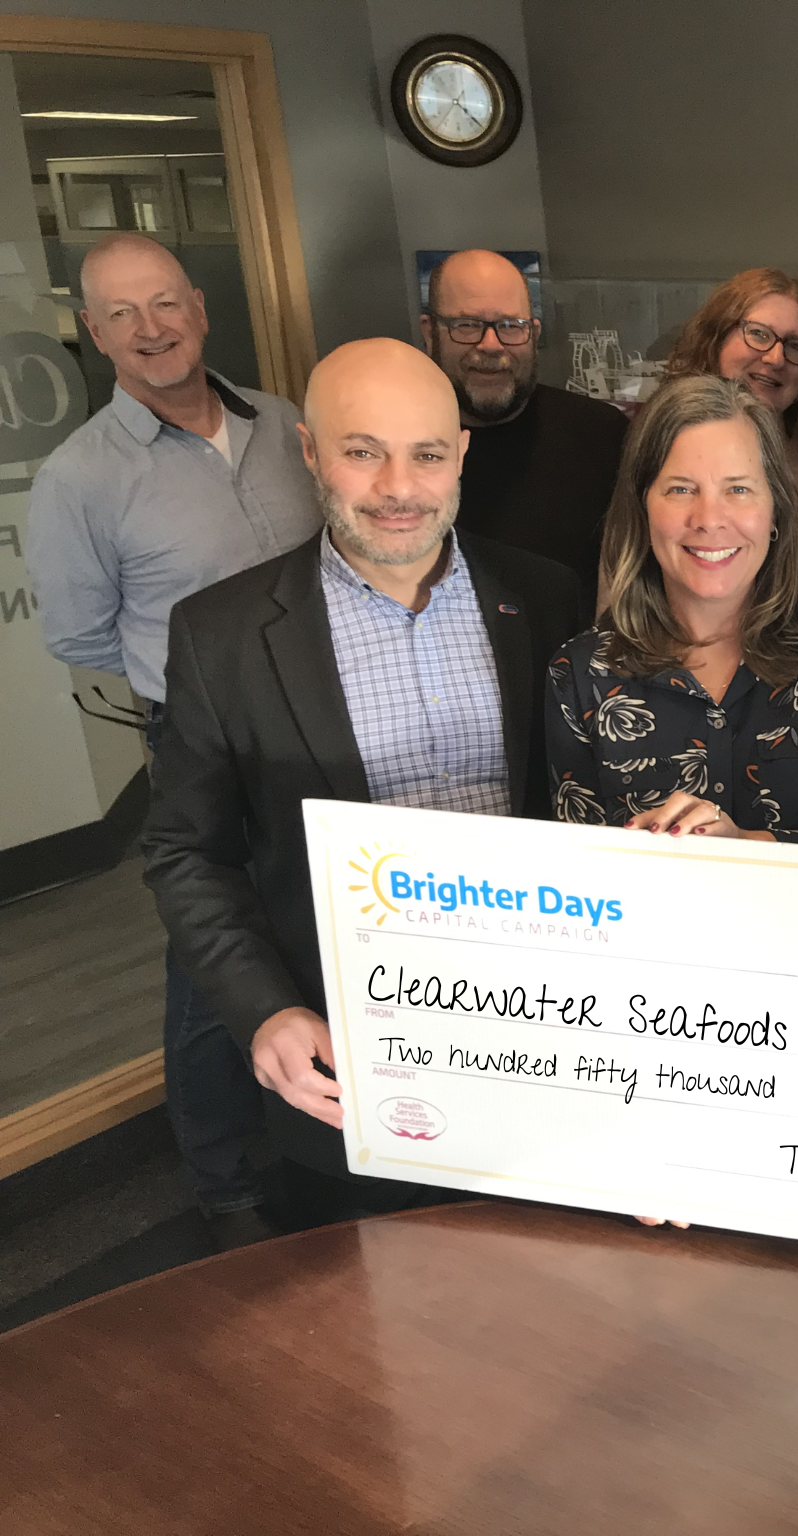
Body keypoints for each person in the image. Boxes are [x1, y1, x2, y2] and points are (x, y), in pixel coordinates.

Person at [140, 338, 584, 1230]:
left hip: (548, 1049)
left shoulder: (548, 599)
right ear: (310, 451)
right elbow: (188, 854)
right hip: (352, 1069)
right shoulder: (220, 637)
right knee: (377, 1301)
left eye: (426, 455)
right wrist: (265, 1012)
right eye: (362, 451)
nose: (398, 488)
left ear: (461, 454)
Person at [26, 232, 320, 1244]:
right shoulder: (79, 477)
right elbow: (78, 633)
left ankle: (322, 1131)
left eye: (163, 303)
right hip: (202, 745)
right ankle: (224, 1182)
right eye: (122, 314)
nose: (149, 328)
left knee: (313, 926)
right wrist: (189, 686)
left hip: (316, 722)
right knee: (208, 961)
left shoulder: (284, 423)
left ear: (198, 307)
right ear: (93, 332)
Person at [546, 373, 798, 852]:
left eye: (739, 489)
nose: (709, 519)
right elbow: (577, 872)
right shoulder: (581, 673)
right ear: (642, 509)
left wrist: (746, 845)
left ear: (776, 510)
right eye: (681, 489)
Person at [421, 248, 628, 599]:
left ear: (533, 332)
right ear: (430, 332)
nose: (491, 345)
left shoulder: (604, 435)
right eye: (467, 325)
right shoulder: (399, 448)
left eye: (510, 326)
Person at [665, 268, 798, 567]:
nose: (775, 359)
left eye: (795, 346)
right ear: (716, 340)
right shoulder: (660, 458)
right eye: (758, 334)